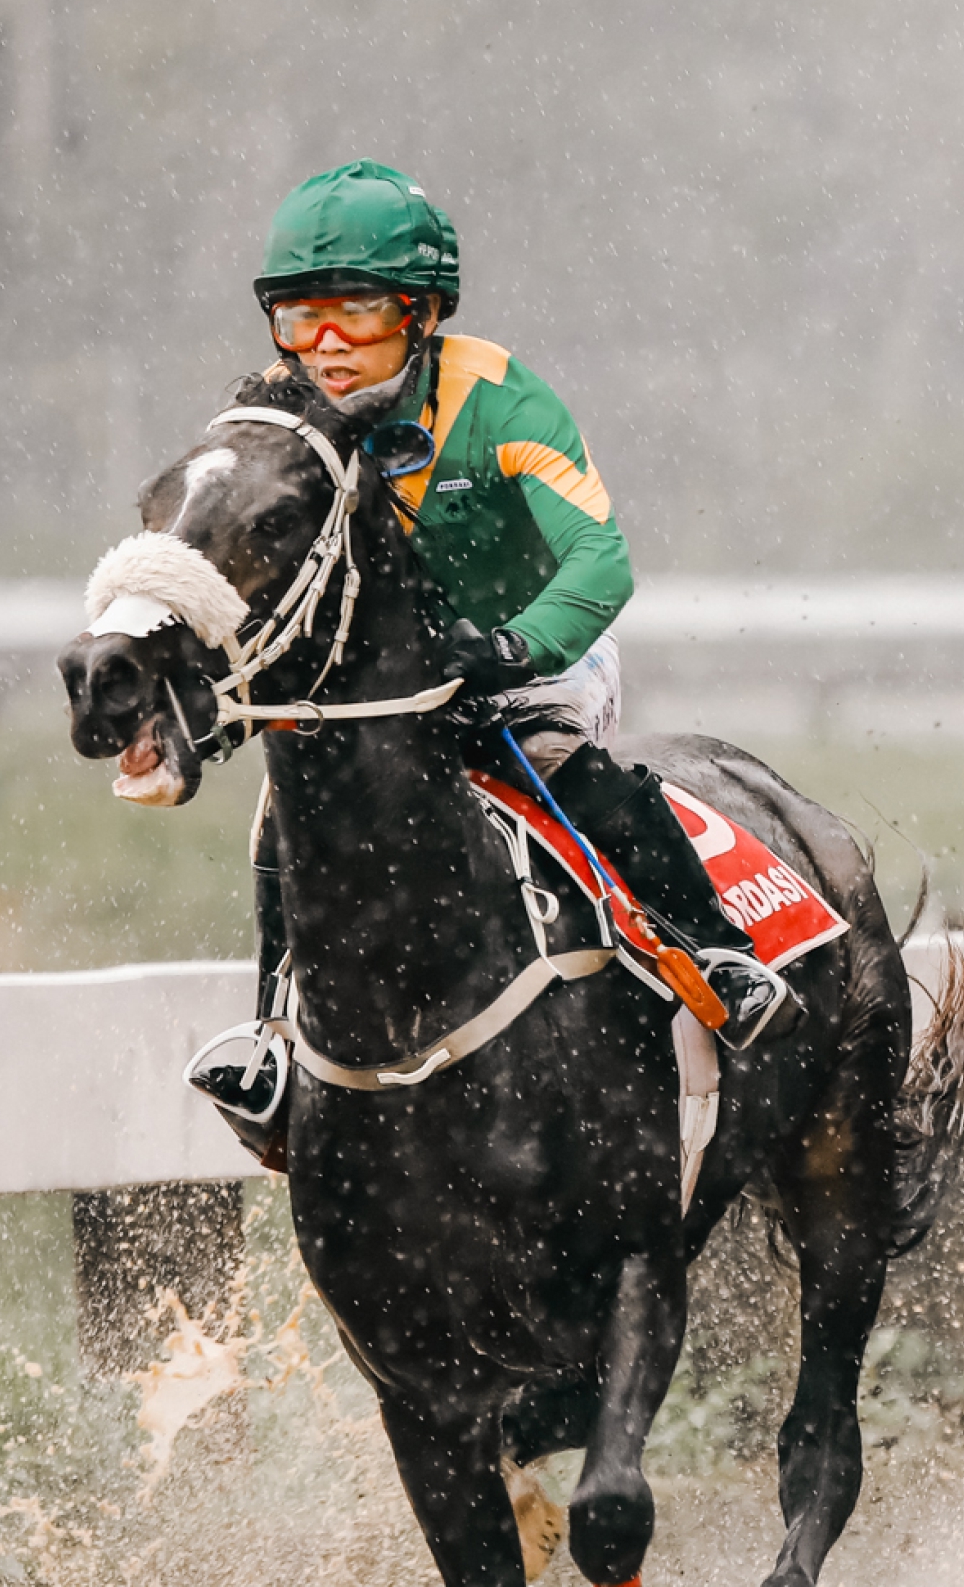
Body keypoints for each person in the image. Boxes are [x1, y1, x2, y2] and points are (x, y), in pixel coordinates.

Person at [194, 160, 798, 1130]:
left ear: (424, 312)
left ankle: (719, 954)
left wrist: (513, 647)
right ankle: (268, 1034)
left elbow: (599, 562)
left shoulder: (503, 399)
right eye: (300, 319)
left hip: (533, 654)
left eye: (358, 316)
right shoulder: (279, 409)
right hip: (379, 684)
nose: (326, 348)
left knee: (556, 764)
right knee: (284, 807)